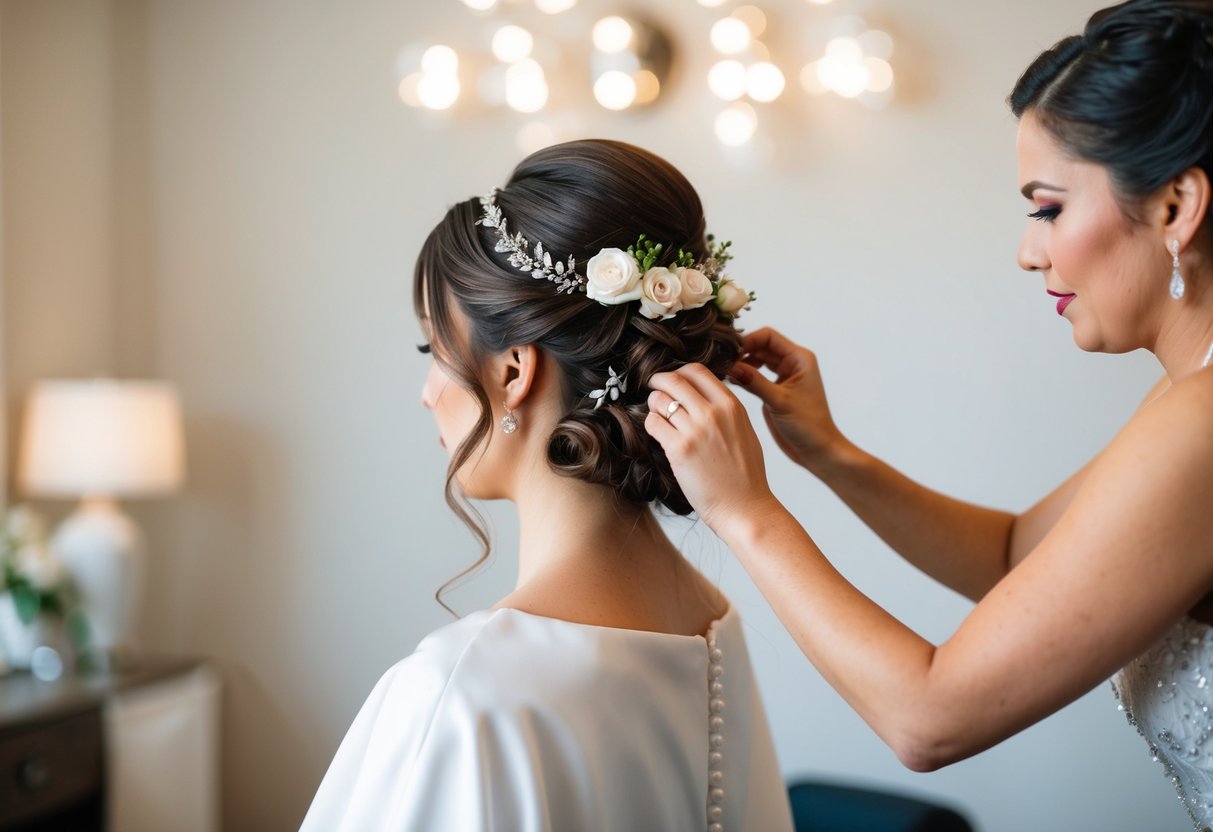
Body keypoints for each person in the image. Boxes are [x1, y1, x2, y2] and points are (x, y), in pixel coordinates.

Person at [642, 0, 1213, 828]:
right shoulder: (1185, 397)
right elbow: (1019, 556)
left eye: (1048, 207)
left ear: (1174, 207)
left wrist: (746, 513)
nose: (1028, 249)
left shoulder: (1201, 425)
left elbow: (928, 719)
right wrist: (829, 454)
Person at [300, 139, 792, 831]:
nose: (425, 393)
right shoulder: (712, 626)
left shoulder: (459, 693)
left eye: (434, 352)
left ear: (511, 371)